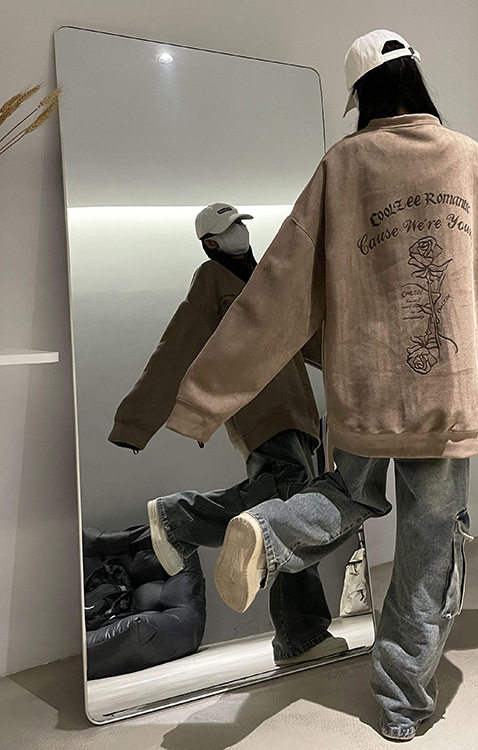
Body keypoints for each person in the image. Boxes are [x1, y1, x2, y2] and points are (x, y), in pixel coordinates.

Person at [164, 30, 478, 741]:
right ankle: (400, 704)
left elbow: (277, 293)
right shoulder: (471, 162)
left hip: (366, 395)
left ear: (360, 96)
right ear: (416, 80)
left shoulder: (342, 166)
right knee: (428, 547)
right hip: (449, 398)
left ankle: (268, 530)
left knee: (348, 495)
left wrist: (202, 400)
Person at [108, 203, 348, 667]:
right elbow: (177, 345)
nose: (240, 231)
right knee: (286, 509)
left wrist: (360, 366)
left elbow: (308, 337)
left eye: (241, 223)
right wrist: (135, 422)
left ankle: (299, 636)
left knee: (288, 520)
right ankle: (181, 518)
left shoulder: (263, 281)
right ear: (211, 242)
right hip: (261, 411)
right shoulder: (212, 280)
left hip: (298, 412)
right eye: (229, 226)